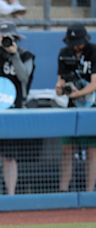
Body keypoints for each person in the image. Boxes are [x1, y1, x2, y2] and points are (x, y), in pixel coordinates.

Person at [0, 21, 35, 195]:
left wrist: (15, 54)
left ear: (16, 38)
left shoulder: (26, 55)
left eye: (9, 38)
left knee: (10, 158)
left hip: (13, 111)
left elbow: (24, 77)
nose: (6, 41)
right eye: (3, 37)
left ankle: (11, 196)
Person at [55, 23, 96, 192]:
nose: (76, 46)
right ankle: (63, 190)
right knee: (67, 149)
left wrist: (77, 94)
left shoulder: (93, 51)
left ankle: (89, 191)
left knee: (92, 151)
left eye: (78, 42)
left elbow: (94, 84)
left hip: (91, 106)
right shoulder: (64, 53)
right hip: (71, 108)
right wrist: (60, 89)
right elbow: (60, 82)